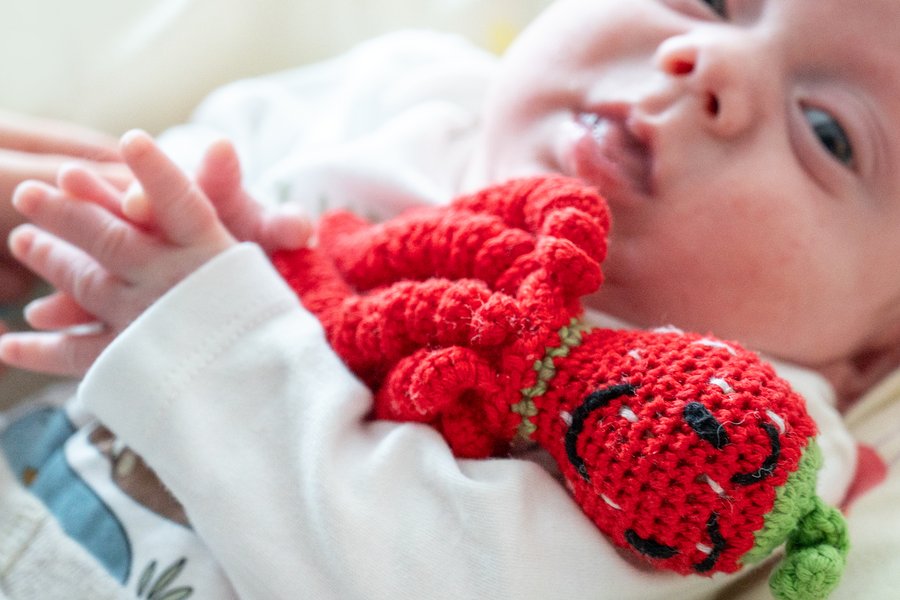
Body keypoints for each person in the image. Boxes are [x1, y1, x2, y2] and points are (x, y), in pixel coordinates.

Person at [1, 0, 900, 598]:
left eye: (829, 133)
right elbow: (135, 214)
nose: (705, 61)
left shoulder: (731, 440)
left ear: (873, 352)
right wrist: (64, 234)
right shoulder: (399, 92)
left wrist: (199, 320)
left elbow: (434, 575)